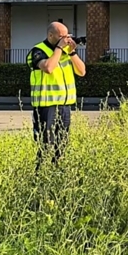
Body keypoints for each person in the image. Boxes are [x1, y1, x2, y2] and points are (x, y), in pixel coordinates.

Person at [28, 22, 86, 169]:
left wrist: (72, 52)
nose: (65, 39)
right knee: (46, 143)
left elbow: (82, 71)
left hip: (64, 105)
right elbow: (48, 68)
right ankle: (40, 173)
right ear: (50, 35)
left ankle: (57, 171)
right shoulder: (38, 51)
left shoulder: (66, 52)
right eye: (61, 37)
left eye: (67, 36)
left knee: (62, 143)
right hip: (45, 105)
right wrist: (60, 48)